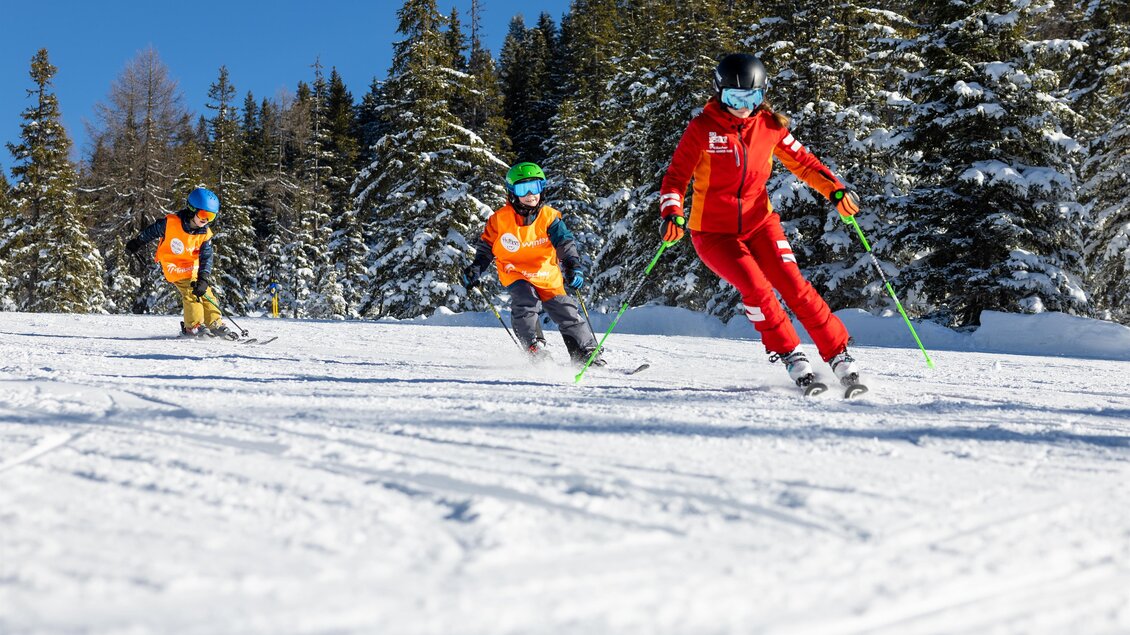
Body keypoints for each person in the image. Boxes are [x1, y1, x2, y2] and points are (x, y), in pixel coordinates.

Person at [659, 53, 863, 389]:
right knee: (755, 287)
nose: (743, 107)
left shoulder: (770, 126)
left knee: (792, 282)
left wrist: (836, 191)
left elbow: (806, 164)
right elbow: (675, 179)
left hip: (760, 223)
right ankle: (791, 354)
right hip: (712, 233)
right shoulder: (702, 129)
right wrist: (672, 213)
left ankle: (838, 353)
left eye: (751, 98)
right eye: (734, 99)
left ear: (762, 94)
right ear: (718, 93)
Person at [463, 162, 604, 366]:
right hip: (516, 271)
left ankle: (585, 352)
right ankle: (534, 347)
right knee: (525, 300)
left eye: (535, 187)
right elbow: (486, 247)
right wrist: (476, 267)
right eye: (523, 189)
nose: (531, 194)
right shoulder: (499, 220)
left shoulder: (549, 217)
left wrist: (572, 264)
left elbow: (564, 242)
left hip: (545, 272)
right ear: (512, 193)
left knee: (565, 309)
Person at [125, 187, 239, 340]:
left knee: (206, 293)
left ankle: (215, 323)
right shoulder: (170, 223)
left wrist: (203, 278)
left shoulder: (205, 233)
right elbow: (151, 232)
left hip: (193, 268)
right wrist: (137, 242)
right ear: (192, 210)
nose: (206, 221)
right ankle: (193, 327)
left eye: (211, 217)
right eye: (204, 215)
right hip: (174, 267)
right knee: (191, 293)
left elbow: (206, 257)